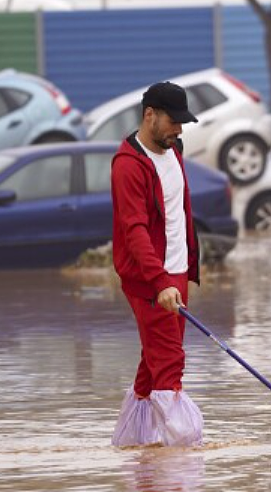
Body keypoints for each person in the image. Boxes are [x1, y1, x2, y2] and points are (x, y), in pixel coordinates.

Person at [110, 81, 203, 448]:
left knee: (152, 365)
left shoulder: (173, 149)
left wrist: (184, 273)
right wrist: (160, 281)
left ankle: (137, 448)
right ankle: (178, 470)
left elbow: (179, 214)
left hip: (176, 274)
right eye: (173, 121)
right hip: (152, 280)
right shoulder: (128, 167)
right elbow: (134, 232)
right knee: (169, 364)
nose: (179, 130)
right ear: (149, 115)